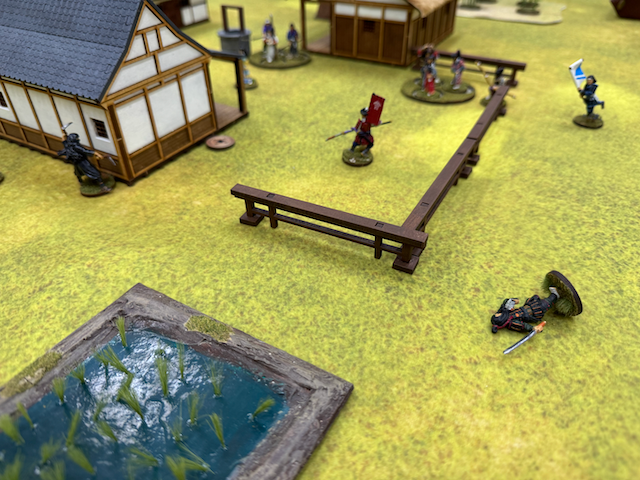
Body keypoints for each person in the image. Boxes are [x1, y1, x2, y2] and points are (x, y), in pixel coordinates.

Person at [491, 287, 559, 334]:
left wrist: (512, 300)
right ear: (501, 319)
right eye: (498, 315)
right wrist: (534, 328)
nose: (498, 313)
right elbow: (523, 326)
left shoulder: (505, 312)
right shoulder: (511, 322)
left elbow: (504, 305)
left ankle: (554, 295)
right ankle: (555, 295)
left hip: (527, 306)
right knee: (545, 304)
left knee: (536, 298)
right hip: (533, 313)